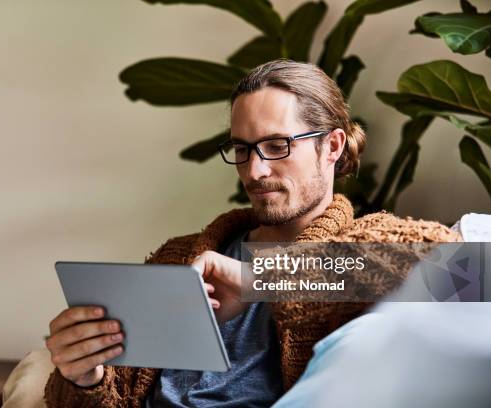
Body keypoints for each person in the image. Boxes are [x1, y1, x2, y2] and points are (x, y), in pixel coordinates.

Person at [43, 59, 461, 407]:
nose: (255, 171)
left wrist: (260, 279)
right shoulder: (180, 255)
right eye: (242, 149)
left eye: (277, 145)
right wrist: (82, 377)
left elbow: (469, 272)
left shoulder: (367, 243)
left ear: (332, 147)